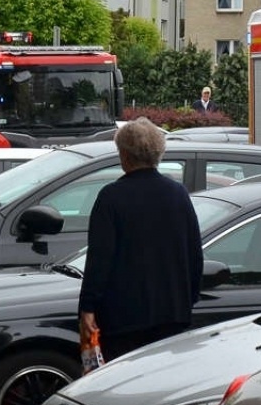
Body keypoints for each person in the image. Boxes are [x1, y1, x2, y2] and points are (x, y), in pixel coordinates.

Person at [78, 117, 204, 362]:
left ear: (124, 155)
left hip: (123, 318)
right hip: (172, 315)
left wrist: (88, 307)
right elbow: (194, 254)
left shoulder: (111, 198)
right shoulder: (178, 194)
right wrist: (187, 300)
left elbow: (100, 259)